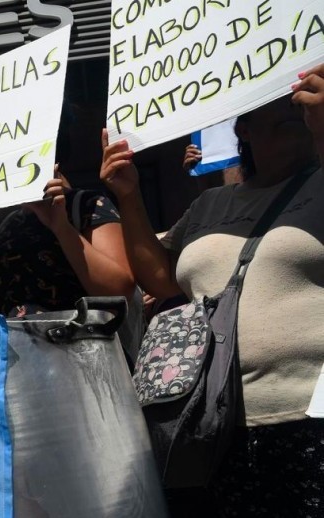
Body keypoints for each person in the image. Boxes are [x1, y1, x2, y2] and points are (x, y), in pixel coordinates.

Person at [99, 64, 324, 515]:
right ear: (244, 127)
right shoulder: (209, 204)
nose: (293, 100)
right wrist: (129, 196)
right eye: (275, 104)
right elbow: (160, 279)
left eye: (296, 99)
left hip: (311, 421)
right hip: (212, 431)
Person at [0, 168, 135, 320]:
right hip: (24, 370)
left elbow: (118, 290)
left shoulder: (86, 205)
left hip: (87, 363)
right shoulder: (7, 227)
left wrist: (61, 228)